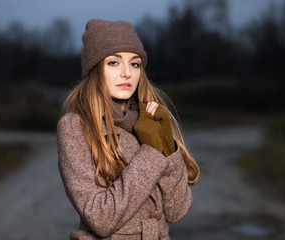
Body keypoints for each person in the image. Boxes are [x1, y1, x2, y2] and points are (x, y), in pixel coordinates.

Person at [57, 19, 200, 240]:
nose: (127, 73)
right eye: (114, 63)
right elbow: (100, 220)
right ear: (95, 70)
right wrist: (152, 152)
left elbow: (176, 211)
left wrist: (166, 145)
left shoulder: (151, 120)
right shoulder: (75, 126)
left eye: (134, 64)